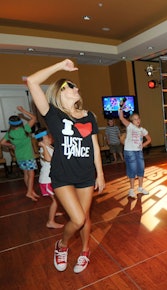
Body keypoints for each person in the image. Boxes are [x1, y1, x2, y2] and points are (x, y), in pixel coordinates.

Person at [26, 59, 105, 274]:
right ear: (59, 92)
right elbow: (32, 81)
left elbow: (95, 147)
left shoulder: (89, 116)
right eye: (70, 86)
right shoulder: (53, 114)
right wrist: (60, 66)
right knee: (77, 218)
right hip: (62, 175)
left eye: (75, 85)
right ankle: (62, 246)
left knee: (85, 217)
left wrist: (101, 174)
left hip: (86, 174)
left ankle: (85, 251)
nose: (76, 88)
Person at [0, 106, 39, 201]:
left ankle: (31, 191)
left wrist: (11, 145)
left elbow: (2, 142)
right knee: (31, 174)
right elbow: (34, 118)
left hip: (19, 157)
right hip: (28, 156)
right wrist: (23, 111)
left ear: (10, 124)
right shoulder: (25, 129)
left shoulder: (9, 133)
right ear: (20, 122)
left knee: (26, 173)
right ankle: (29, 192)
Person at [118, 104, 151, 199]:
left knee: (141, 169)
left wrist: (142, 145)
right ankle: (131, 190)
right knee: (132, 169)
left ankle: (140, 188)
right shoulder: (130, 126)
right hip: (129, 151)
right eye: (135, 119)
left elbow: (149, 139)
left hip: (138, 151)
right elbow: (121, 117)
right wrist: (121, 107)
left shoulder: (142, 130)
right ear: (132, 121)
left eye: (138, 118)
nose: (137, 120)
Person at [35, 128, 64, 229]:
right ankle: (50, 222)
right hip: (47, 181)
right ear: (43, 139)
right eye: (48, 136)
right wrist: (43, 145)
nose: (50, 137)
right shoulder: (44, 149)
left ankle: (54, 212)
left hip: (51, 178)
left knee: (57, 199)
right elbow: (49, 159)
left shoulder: (49, 146)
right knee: (56, 200)